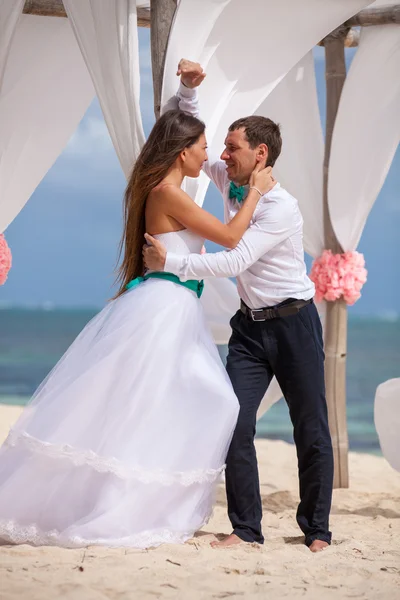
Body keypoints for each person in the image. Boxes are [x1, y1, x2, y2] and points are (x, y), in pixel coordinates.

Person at [0, 110, 275, 549]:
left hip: (176, 309)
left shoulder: (169, 190)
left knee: (162, 405)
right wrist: (256, 194)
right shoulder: (168, 192)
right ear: (183, 151)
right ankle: (128, 504)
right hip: (163, 311)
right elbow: (228, 237)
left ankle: (143, 500)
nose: (208, 156)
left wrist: (188, 93)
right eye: (203, 147)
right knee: (196, 403)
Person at [143, 59, 334, 553]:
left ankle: (316, 529)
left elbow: (237, 258)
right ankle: (246, 529)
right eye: (223, 147)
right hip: (249, 329)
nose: (222, 155)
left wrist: (172, 263)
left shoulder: (281, 207)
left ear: (260, 153)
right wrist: (188, 91)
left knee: (310, 427)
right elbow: (192, 144)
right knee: (233, 420)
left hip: (295, 325)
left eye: (233, 148)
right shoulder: (230, 176)